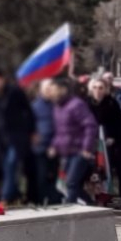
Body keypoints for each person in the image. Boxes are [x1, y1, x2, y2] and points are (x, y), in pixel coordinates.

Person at [0, 69, 35, 205]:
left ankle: (5, 198)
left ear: (1, 79)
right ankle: (15, 194)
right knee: (5, 167)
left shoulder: (15, 92)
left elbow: (28, 111)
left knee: (11, 164)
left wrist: (32, 131)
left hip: (17, 136)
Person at [50, 77, 99, 206]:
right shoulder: (57, 107)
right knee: (69, 184)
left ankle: (68, 211)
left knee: (71, 182)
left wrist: (86, 148)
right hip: (66, 152)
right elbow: (59, 130)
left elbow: (90, 125)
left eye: (54, 90)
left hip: (79, 151)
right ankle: (91, 205)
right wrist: (54, 146)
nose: (52, 93)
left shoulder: (77, 104)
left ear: (63, 90)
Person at [87, 77, 121, 208]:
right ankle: (91, 196)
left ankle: (104, 196)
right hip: (90, 142)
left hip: (107, 143)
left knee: (105, 170)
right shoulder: (86, 104)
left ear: (105, 89)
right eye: (95, 87)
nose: (98, 90)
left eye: (101, 88)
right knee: (92, 170)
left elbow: (120, 124)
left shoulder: (112, 103)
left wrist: (114, 137)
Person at [32, 82, 60, 205]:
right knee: (41, 177)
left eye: (51, 88)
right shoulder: (34, 106)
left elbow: (61, 128)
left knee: (53, 177)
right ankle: (40, 201)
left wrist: (54, 145)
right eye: (47, 88)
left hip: (55, 147)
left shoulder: (58, 106)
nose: (49, 91)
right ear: (41, 90)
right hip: (39, 147)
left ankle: (54, 202)